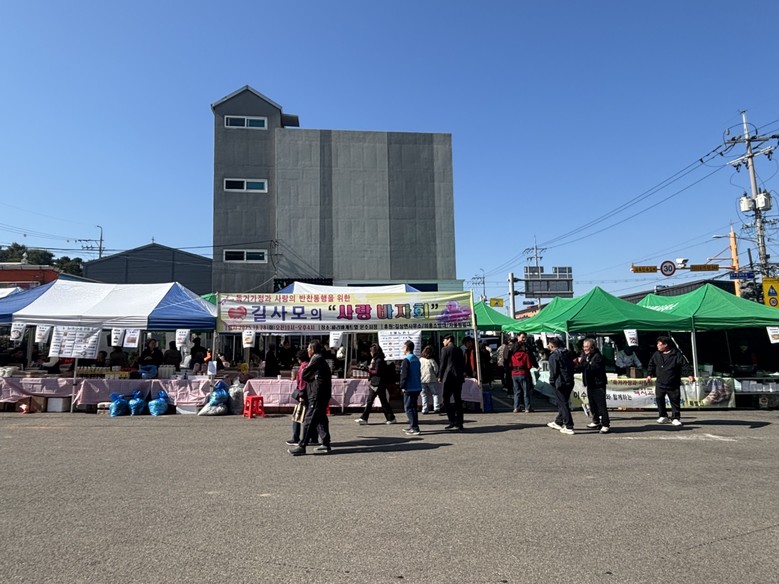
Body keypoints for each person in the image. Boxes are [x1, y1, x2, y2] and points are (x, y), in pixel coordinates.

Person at [289, 341, 332, 456]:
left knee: (310, 418)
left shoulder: (316, 359)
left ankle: (302, 445)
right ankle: (325, 443)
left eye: (308, 348)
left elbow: (305, 374)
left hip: (317, 394)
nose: (307, 350)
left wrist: (310, 378)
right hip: (320, 394)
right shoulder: (319, 359)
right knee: (321, 418)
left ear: (312, 349)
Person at [646, 335, 694, 426]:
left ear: (665, 345)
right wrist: (649, 374)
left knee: (674, 400)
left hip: (673, 382)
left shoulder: (676, 354)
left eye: (659, 344)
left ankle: (675, 417)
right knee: (659, 399)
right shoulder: (656, 354)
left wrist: (690, 375)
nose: (657, 345)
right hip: (660, 382)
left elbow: (685, 365)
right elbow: (651, 364)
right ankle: (663, 415)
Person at [355, 343, 397, 425]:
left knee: (371, 401)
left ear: (374, 352)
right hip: (377, 383)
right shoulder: (376, 359)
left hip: (377, 383)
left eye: (371, 351)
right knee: (382, 401)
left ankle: (364, 418)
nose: (370, 353)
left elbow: (377, 372)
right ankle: (391, 418)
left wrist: (367, 370)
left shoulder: (379, 360)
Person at [579, 338, 610, 433]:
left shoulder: (598, 357)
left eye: (587, 347)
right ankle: (596, 421)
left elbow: (593, 369)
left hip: (598, 384)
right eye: (584, 347)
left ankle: (605, 424)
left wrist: (584, 363)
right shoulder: (585, 355)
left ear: (593, 347)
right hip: (590, 383)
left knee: (601, 405)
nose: (585, 349)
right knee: (592, 404)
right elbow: (582, 367)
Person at [546, 337, 576, 435]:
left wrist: (552, 381)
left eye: (549, 344)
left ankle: (569, 425)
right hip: (569, 380)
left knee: (563, 404)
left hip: (560, 382)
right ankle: (558, 421)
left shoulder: (554, 356)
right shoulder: (567, 353)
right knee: (564, 402)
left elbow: (554, 371)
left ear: (552, 345)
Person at [438, 334, 465, 431]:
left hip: (449, 377)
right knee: (458, 400)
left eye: (444, 340)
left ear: (449, 339)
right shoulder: (459, 349)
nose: (443, 342)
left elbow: (442, 364)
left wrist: (440, 376)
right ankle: (460, 422)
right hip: (459, 377)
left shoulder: (445, 349)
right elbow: (462, 364)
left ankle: (452, 419)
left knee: (445, 399)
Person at [399, 340, 423, 436]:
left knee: (408, 408)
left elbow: (404, 375)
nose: (402, 349)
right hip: (417, 385)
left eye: (403, 347)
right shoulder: (416, 358)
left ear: (407, 348)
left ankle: (415, 428)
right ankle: (412, 425)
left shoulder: (406, 360)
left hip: (410, 387)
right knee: (413, 408)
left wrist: (402, 386)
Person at [287, 349, 310, 446]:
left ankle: (295, 437)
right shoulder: (309, 365)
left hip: (303, 394)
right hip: (309, 393)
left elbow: (302, 382)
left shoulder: (303, 367)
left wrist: (301, 395)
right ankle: (313, 437)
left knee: (297, 416)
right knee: (309, 417)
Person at [509, 339, 535, 413]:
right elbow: (529, 366)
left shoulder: (513, 355)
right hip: (523, 373)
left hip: (514, 374)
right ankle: (527, 407)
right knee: (526, 391)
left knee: (516, 391)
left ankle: (516, 407)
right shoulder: (525, 355)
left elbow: (510, 365)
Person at [419, 345, 440, 414]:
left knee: (424, 395)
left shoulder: (420, 360)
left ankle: (424, 409)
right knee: (435, 394)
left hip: (422, 379)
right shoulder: (432, 360)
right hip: (431, 379)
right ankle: (436, 407)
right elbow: (436, 369)